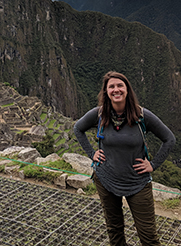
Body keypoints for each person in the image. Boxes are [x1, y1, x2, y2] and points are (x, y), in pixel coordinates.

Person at [74, 71, 175, 246]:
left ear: (127, 90)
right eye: (111, 86)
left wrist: (153, 164)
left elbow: (169, 139)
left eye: (120, 85)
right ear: (106, 91)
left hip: (137, 182)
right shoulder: (99, 114)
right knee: (114, 231)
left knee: (148, 236)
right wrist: (92, 154)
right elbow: (78, 128)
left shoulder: (142, 116)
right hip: (106, 179)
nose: (116, 90)